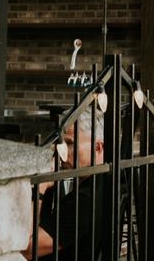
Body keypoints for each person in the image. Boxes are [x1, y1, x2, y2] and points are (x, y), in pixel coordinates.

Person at [26, 109, 107, 261]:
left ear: (97, 148)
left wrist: (40, 188)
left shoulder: (84, 200)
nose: (62, 153)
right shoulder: (108, 181)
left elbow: (27, 248)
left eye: (70, 143)